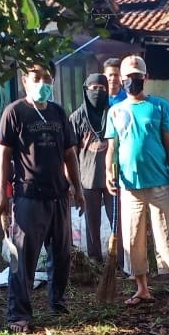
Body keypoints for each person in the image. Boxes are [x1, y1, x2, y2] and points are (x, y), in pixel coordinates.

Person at [104, 55, 169, 307]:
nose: (132, 82)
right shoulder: (115, 111)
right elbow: (112, 147)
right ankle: (142, 288)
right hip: (129, 186)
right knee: (133, 237)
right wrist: (108, 172)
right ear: (123, 80)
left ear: (145, 78)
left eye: (137, 78)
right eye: (128, 78)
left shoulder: (159, 106)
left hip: (159, 182)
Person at [0, 63, 85, 332]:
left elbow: (70, 155)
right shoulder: (15, 112)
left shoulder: (58, 113)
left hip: (59, 195)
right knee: (23, 257)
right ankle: (18, 313)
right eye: (37, 78)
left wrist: (77, 189)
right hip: (28, 196)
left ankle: (57, 302)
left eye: (47, 78)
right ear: (25, 81)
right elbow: (4, 156)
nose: (43, 83)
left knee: (61, 255)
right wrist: (2, 192)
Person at [70, 73, 113, 262]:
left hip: (113, 179)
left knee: (117, 222)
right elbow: (70, 153)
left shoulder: (113, 113)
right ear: (85, 90)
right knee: (91, 223)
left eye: (102, 89)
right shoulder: (76, 118)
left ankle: (120, 260)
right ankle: (95, 260)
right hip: (87, 179)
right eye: (93, 88)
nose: (98, 92)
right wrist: (73, 182)